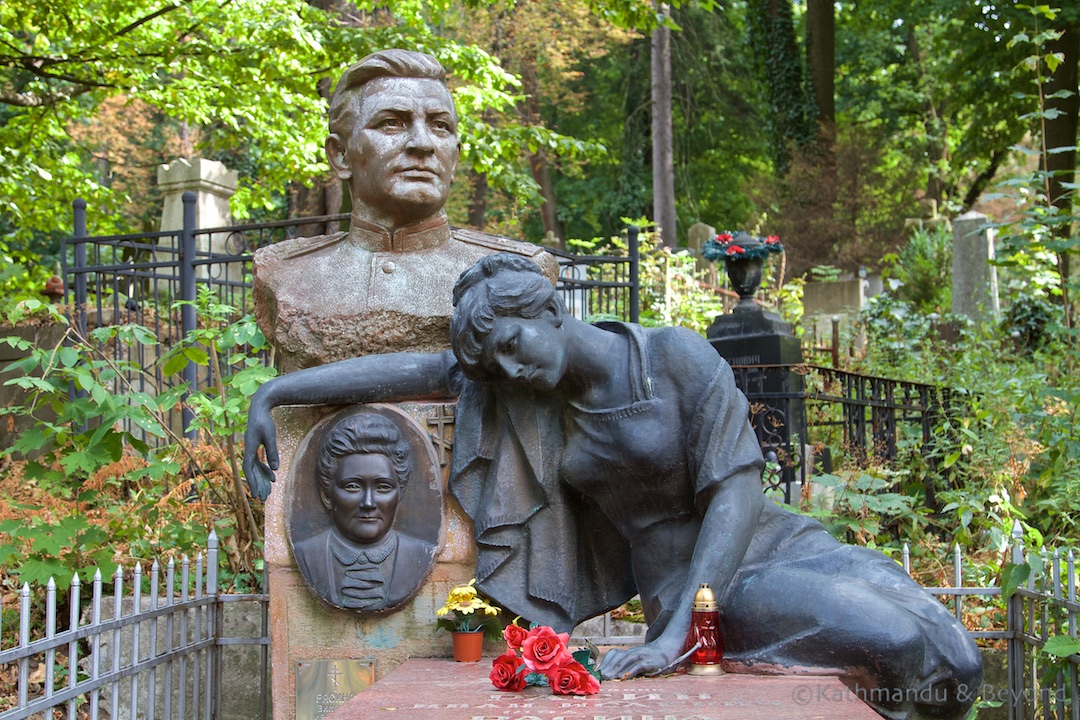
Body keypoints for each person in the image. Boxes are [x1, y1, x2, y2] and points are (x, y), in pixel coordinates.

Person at [244, 254, 982, 720]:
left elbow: (736, 488)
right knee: (894, 642)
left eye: (512, 346)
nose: (510, 371)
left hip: (769, 552)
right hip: (684, 587)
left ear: (548, 311)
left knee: (958, 660)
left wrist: (683, 632)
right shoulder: (532, 400)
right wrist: (272, 395)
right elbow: (411, 372)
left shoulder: (675, 360)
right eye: (493, 365)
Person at [252, 49, 556, 371]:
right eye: (392, 123)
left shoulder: (521, 273)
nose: (422, 144)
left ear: (454, 158)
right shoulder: (286, 274)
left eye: (440, 126)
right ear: (340, 155)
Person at [292, 412, 436, 611]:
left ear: (399, 495)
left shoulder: (419, 555)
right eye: (352, 486)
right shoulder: (308, 554)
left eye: (383, 487)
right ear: (327, 495)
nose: (368, 503)